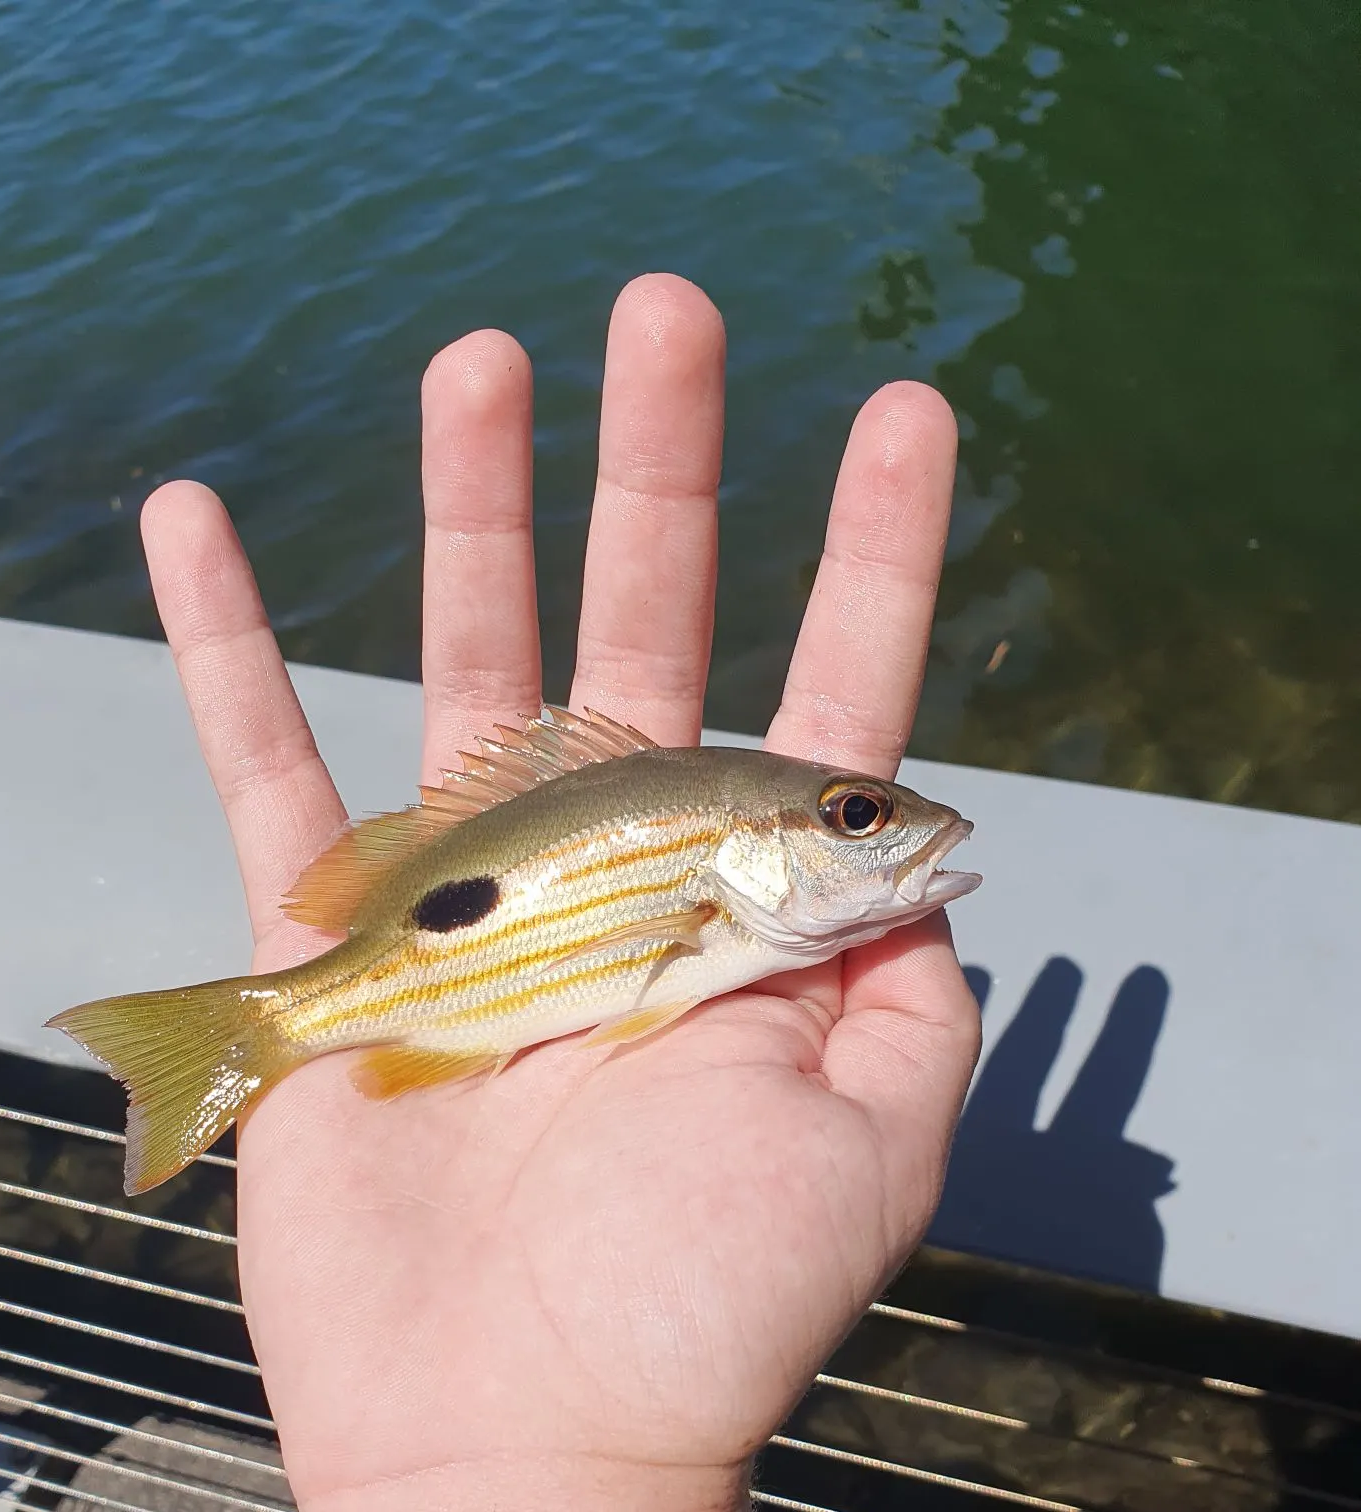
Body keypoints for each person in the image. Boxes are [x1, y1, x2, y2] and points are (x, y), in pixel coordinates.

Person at [138, 273, 981, 1511]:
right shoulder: (713, 882)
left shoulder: (731, 892)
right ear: (749, 848)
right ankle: (246, 1026)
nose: (891, 830)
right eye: (856, 816)